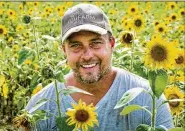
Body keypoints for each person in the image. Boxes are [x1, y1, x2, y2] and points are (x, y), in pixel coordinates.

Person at [26, 3, 174, 131]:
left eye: (95, 43)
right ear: (64, 50)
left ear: (111, 44)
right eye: (76, 46)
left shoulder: (147, 99)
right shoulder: (41, 106)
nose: (87, 55)